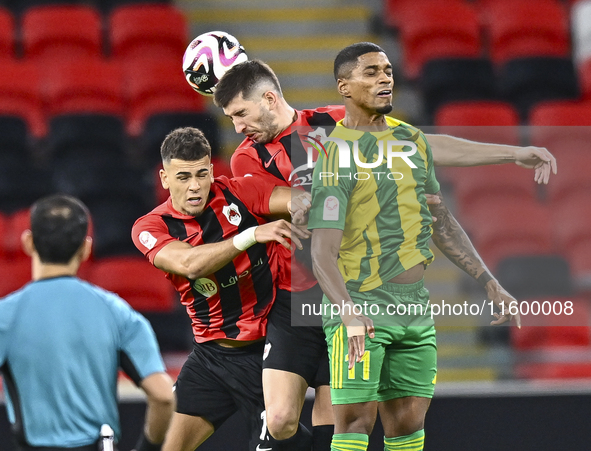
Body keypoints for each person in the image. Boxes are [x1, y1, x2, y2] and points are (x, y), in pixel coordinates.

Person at [212, 59, 553, 450]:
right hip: (296, 299)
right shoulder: (247, 156)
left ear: (270, 99)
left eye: (241, 114)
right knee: (281, 418)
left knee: (346, 425)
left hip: (356, 293)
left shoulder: (335, 121)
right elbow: (276, 197)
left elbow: (426, 144)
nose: (237, 127)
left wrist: (512, 153)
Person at [306, 42, 521, 451]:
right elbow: (321, 252)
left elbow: (441, 220)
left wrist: (487, 279)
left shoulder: (412, 141)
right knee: (353, 422)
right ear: (344, 87)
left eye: (387, 70)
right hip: (360, 301)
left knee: (407, 426)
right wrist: (348, 313)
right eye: (370, 72)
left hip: (413, 305)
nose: (385, 78)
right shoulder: (336, 155)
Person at [131, 127, 312, 451]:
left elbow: (301, 200)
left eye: (202, 174)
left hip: (266, 354)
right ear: (164, 178)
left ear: (213, 171)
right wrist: (251, 235)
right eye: (183, 176)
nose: (195, 186)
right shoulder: (150, 227)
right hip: (211, 359)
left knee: (283, 432)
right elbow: (189, 265)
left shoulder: (241, 192)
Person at [0, 194, 174, 451]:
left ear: (28, 242)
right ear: (86, 248)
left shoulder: (6, 315)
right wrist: (147, 447)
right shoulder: (118, 313)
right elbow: (163, 397)